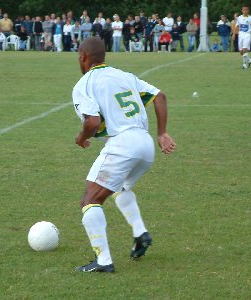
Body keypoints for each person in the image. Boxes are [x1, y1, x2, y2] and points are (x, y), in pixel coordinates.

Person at [72, 37, 176, 273]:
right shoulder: (124, 75)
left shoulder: (84, 84)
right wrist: (162, 133)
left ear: (83, 57)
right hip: (145, 144)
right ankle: (140, 233)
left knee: (89, 200)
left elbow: (93, 121)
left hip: (123, 144)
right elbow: (160, 96)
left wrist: (82, 137)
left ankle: (103, 262)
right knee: (120, 188)